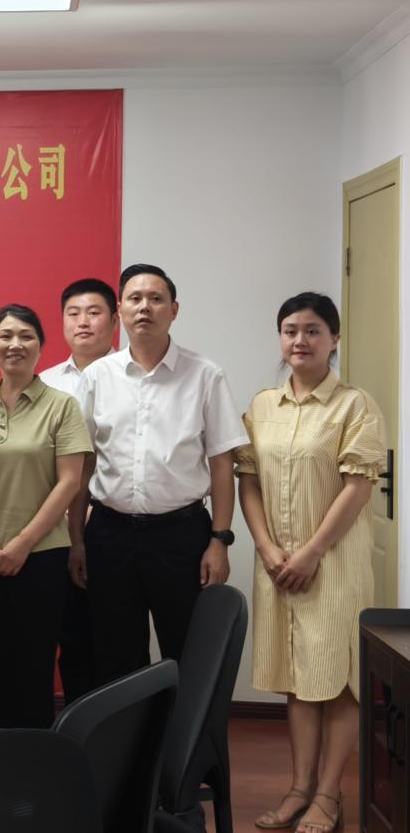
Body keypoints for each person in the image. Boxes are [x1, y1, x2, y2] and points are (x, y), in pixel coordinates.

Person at [238, 293, 386, 833]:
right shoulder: (261, 406)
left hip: (333, 564)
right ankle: (298, 789)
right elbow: (248, 480)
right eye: (290, 330)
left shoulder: (355, 405)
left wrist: (312, 552)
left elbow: (357, 487)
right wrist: (266, 547)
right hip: (278, 565)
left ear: (334, 339)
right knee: (297, 678)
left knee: (338, 678)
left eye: (313, 330)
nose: (300, 340)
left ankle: (328, 795)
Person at [76, 264, 248, 685]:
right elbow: (83, 463)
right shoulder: (98, 376)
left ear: (174, 310)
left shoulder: (205, 375)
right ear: (120, 310)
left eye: (156, 299)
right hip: (110, 534)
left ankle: (181, 732)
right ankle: (128, 732)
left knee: (187, 650)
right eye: (135, 299)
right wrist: (77, 539)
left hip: (181, 535)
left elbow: (222, 463)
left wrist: (220, 540)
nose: (145, 308)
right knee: (115, 656)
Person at [0, 304, 91, 728]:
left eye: (26, 336)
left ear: (41, 346)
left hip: (41, 555)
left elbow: (69, 481)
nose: (15, 344)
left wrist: (22, 544)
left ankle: (30, 755)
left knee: (32, 662)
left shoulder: (62, 405)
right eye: (5, 336)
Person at [38, 277, 118, 704]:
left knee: (113, 635)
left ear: (114, 320)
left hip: (108, 523)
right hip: (52, 528)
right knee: (69, 634)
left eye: (94, 312)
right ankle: (76, 724)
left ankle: (118, 728)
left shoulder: (130, 377)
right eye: (74, 313)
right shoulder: (44, 382)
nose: (83, 321)